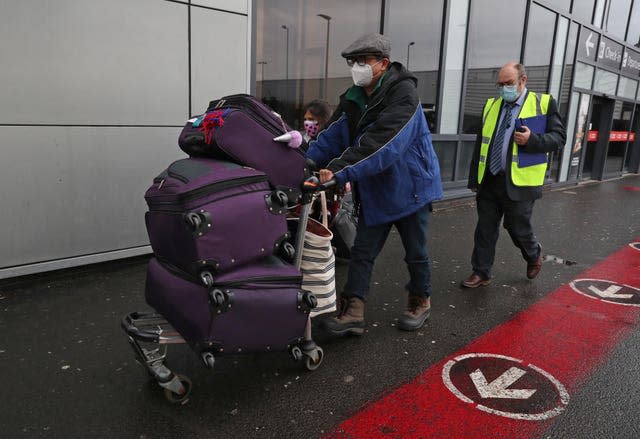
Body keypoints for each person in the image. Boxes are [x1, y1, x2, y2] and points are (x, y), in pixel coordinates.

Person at [305, 33, 443, 334]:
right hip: (377, 188)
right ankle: (353, 311)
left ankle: (420, 300)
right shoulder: (354, 97)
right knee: (363, 251)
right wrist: (304, 159)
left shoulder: (404, 95)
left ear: (383, 63)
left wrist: (337, 171)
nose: (356, 67)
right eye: (353, 62)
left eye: (362, 61)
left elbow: (384, 144)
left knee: (415, 251)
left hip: (410, 188)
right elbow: (332, 135)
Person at [461, 62, 566, 288]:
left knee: (517, 227)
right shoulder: (491, 105)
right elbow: (482, 144)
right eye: (500, 84)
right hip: (490, 178)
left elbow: (559, 138)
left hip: (520, 181)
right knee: (485, 228)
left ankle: (533, 254)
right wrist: (474, 179)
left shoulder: (543, 103)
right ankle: (481, 272)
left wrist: (533, 140)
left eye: (508, 84)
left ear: (523, 80)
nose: (503, 89)